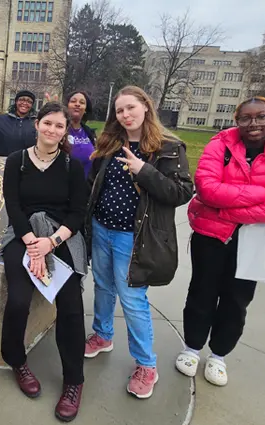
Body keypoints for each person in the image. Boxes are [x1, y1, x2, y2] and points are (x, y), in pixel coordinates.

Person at [175, 97, 265, 386]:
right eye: (246, 118)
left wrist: (227, 209)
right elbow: (207, 189)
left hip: (254, 242)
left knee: (237, 300)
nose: (254, 124)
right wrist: (261, 194)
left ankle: (219, 354)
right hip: (211, 237)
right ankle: (192, 347)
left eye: (261, 117)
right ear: (237, 120)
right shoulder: (218, 147)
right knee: (202, 292)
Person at [83, 85, 193, 399]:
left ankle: (146, 364)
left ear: (146, 107)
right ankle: (103, 335)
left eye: (131, 107)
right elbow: (94, 183)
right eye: (120, 110)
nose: (126, 115)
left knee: (132, 300)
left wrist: (144, 170)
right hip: (101, 229)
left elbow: (182, 192)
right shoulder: (110, 143)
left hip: (134, 238)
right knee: (102, 287)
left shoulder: (168, 147)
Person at [0, 102, 88, 422]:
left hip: (61, 237)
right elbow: (14, 205)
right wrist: (32, 244)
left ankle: (74, 381)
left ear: (65, 131)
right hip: (22, 236)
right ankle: (17, 361)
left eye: (59, 126)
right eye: (47, 123)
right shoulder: (16, 162)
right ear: (37, 124)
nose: (52, 130)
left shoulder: (72, 166)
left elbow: (78, 211)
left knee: (72, 308)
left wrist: (51, 242)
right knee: (19, 300)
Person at [67, 91, 97, 178]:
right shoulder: (60, 130)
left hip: (86, 187)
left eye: (82, 102)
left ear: (85, 110)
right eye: (73, 101)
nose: (77, 104)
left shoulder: (90, 133)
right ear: (67, 106)